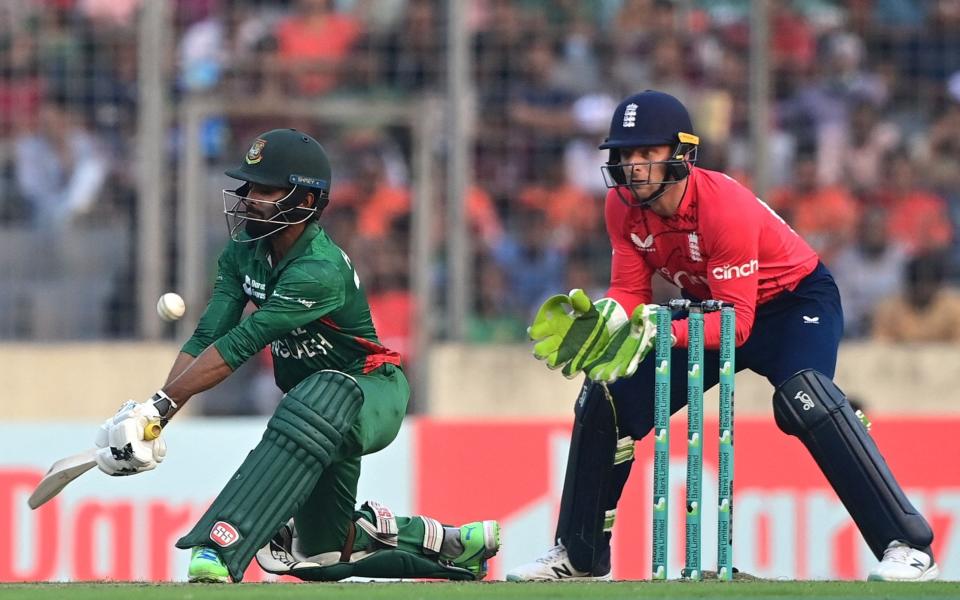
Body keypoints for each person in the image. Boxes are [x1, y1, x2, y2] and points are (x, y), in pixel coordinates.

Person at [506, 91, 938, 582]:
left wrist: (654, 328)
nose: (634, 167)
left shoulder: (722, 205)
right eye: (626, 155)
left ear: (683, 154)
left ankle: (908, 547)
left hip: (793, 304)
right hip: (714, 304)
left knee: (806, 399)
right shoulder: (620, 208)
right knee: (606, 395)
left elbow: (741, 325)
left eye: (648, 153)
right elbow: (630, 288)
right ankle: (579, 555)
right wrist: (610, 317)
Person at [92, 128, 500, 583]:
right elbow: (211, 332)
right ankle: (452, 543)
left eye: (264, 190)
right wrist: (155, 414)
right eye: (248, 187)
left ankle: (222, 542)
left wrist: (162, 404)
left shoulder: (318, 270)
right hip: (313, 411)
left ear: (305, 202)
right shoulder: (243, 251)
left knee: (317, 393)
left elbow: (241, 344)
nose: (248, 199)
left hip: (370, 392)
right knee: (324, 553)